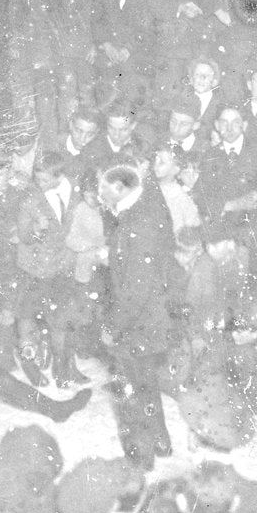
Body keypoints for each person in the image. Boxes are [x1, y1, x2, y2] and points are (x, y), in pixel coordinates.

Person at [100, 165, 178, 467]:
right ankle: (161, 442)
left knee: (129, 391)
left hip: (137, 323)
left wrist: (112, 327)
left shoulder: (133, 225)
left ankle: (140, 459)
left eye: (104, 189)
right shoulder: (146, 211)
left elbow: (134, 289)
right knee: (146, 383)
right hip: (151, 318)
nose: (100, 196)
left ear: (120, 188)